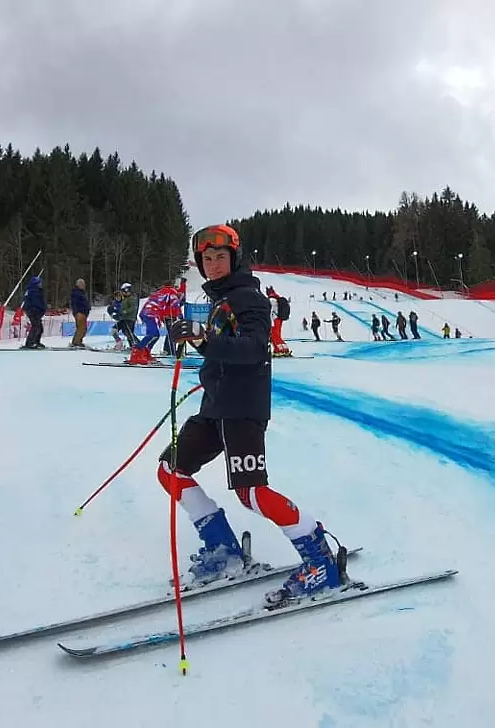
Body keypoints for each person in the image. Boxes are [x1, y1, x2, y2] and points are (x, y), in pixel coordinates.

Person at [160, 223, 345, 608]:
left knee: (251, 493)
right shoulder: (216, 299)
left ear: (235, 258)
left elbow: (253, 349)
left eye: (219, 257)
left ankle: (320, 560)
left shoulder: (249, 299)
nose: (212, 264)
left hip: (242, 410)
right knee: (170, 470)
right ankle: (222, 548)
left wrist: (206, 340)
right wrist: (192, 340)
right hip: (214, 407)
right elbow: (220, 350)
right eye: (206, 259)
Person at [20, 276, 46, 349]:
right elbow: (35, 302)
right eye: (40, 283)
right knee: (35, 327)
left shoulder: (36, 290)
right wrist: (40, 309)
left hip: (36, 311)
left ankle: (36, 341)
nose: (41, 284)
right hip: (33, 311)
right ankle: (29, 343)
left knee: (40, 328)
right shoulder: (33, 291)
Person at [267, 286, 292, 357]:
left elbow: (270, 311)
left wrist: (270, 322)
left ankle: (279, 350)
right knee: (278, 335)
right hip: (279, 319)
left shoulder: (271, 299)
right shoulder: (277, 298)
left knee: (274, 335)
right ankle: (284, 349)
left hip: (274, 320)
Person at [115, 283, 140, 354]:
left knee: (129, 333)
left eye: (124, 291)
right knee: (126, 332)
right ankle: (133, 346)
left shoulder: (132, 298)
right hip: (125, 318)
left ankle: (138, 345)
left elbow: (133, 308)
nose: (123, 293)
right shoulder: (126, 298)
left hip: (130, 318)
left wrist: (125, 311)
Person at [70, 279, 91, 349]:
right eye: (82, 284)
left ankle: (77, 341)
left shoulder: (81, 293)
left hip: (83, 313)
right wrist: (77, 312)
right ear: (78, 285)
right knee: (82, 328)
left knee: (82, 328)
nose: (84, 285)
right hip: (80, 312)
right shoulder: (76, 293)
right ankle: (76, 342)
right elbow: (75, 303)